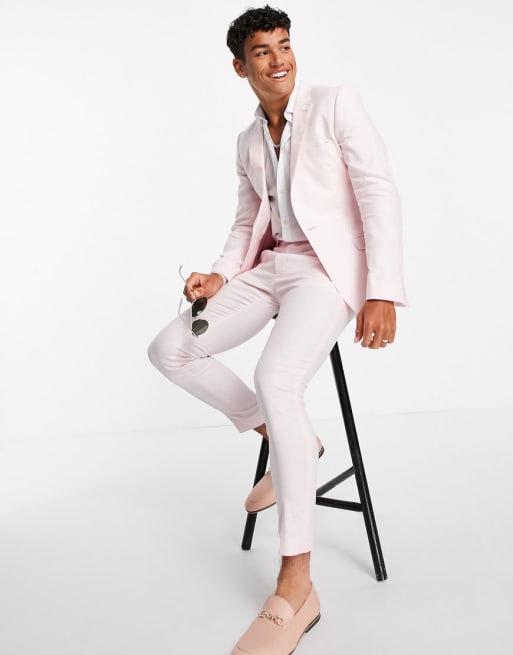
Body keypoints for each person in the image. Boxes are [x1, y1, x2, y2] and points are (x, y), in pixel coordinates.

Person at [148, 5, 406, 654]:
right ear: (240, 67)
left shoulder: (335, 104)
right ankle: (284, 435)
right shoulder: (246, 141)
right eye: (261, 51)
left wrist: (381, 290)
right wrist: (219, 275)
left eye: (284, 45)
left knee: (276, 377)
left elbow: (377, 192)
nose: (278, 59)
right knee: (171, 348)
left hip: (327, 273)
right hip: (271, 268)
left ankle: (296, 584)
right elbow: (247, 222)